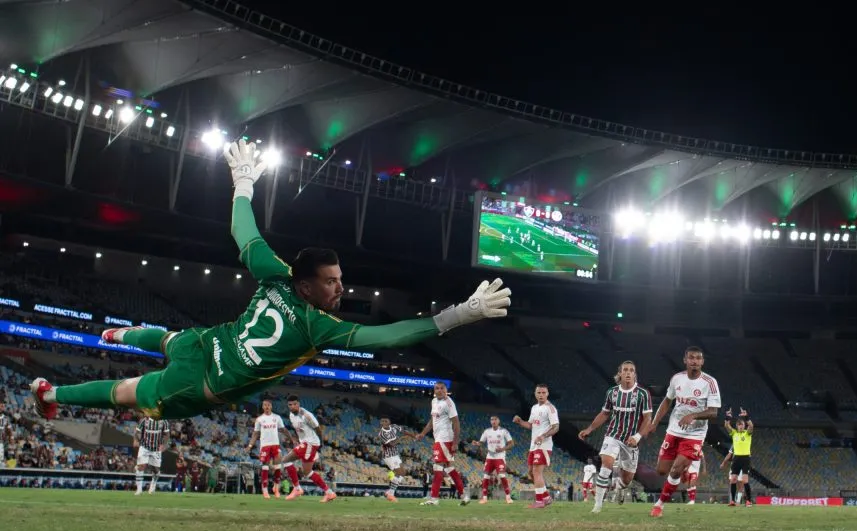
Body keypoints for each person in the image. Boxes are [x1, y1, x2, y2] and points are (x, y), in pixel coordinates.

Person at [29, 140, 512, 422]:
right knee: (126, 392)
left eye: (341, 279)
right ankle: (50, 395)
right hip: (201, 381)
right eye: (331, 282)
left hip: (205, 342)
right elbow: (391, 335)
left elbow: (244, 232)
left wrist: (242, 183)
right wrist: (460, 315)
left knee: (170, 338)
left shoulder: (278, 274)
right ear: (306, 287)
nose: (341, 289)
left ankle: (114, 333)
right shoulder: (318, 327)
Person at [642, 346, 721, 518]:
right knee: (662, 471)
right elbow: (666, 401)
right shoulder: (677, 379)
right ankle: (681, 471)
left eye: (698, 358)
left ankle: (659, 505)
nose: (695, 361)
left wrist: (694, 415)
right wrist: (654, 423)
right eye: (691, 358)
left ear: (702, 362)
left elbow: (714, 412)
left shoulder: (710, 383)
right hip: (674, 430)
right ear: (685, 360)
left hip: (695, 435)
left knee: (675, 469)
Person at [577, 361, 653, 513]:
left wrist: (637, 437)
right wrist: (590, 428)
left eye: (631, 370)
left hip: (631, 441)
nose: (628, 373)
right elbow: (605, 413)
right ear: (620, 373)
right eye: (625, 370)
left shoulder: (643, 394)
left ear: (634, 374)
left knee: (627, 479)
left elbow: (648, 418)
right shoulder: (612, 392)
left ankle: (620, 487)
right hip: (613, 434)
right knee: (606, 466)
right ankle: (597, 506)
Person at [416, 382, 470, 506]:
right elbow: (432, 420)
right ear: (434, 390)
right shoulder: (434, 401)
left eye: (442, 388)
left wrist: (455, 442)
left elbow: (456, 423)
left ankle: (434, 498)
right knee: (449, 468)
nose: (439, 390)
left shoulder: (449, 403)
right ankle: (464, 496)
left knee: (437, 467)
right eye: (437, 388)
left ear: (446, 390)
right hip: (438, 439)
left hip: (445, 439)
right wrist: (423, 433)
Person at [278, 395, 335, 502]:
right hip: (305, 443)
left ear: (298, 404)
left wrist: (320, 444)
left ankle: (297, 488)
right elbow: (300, 430)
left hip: (311, 444)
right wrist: (298, 441)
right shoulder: (291, 415)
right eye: (290, 405)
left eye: (295, 404)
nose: (292, 406)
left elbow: (318, 429)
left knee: (286, 460)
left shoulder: (307, 415)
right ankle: (329, 493)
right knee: (307, 472)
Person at [512, 384, 559, 509]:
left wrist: (543, 436)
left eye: (544, 392)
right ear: (535, 394)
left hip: (543, 445)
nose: (541, 395)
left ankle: (539, 501)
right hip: (533, 445)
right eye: (539, 392)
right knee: (531, 473)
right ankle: (546, 497)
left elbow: (556, 427)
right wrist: (520, 421)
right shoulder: (534, 408)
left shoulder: (550, 408)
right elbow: (531, 425)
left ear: (547, 394)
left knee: (537, 472)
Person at [245, 398, 297, 499]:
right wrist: (250, 446)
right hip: (265, 446)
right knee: (265, 467)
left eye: (269, 405)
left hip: (275, 445)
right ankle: (265, 491)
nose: (267, 407)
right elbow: (256, 434)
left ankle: (276, 488)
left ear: (271, 406)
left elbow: (283, 429)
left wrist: (292, 439)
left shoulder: (277, 417)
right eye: (265, 405)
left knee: (278, 467)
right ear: (263, 407)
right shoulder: (259, 419)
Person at [470, 415, 515, 504]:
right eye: (491, 420)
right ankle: (485, 498)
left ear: (498, 421)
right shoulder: (487, 431)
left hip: (500, 457)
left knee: (502, 476)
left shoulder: (504, 431)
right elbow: (481, 442)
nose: (493, 421)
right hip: (490, 457)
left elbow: (511, 444)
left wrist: (502, 449)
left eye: (495, 419)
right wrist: (477, 443)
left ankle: (508, 497)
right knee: (486, 476)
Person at [378, 415, 417, 502]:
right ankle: (390, 494)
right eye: (382, 421)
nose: (384, 422)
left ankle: (390, 490)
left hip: (395, 455)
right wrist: (401, 438)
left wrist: (413, 436)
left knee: (403, 473)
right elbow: (391, 444)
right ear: (381, 423)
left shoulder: (394, 427)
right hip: (389, 456)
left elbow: (403, 431)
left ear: (389, 422)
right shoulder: (382, 434)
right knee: (400, 473)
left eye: (386, 421)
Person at [724, 407, 754, 506]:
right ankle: (732, 501)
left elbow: (751, 426)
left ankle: (749, 501)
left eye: (742, 425)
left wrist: (746, 416)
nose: (740, 426)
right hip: (736, 458)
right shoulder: (734, 433)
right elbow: (726, 425)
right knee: (733, 479)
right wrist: (728, 416)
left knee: (745, 480)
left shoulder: (747, 433)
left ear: (744, 425)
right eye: (739, 425)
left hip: (745, 458)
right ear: (736, 426)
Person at [133, 416, 169, 495]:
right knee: (141, 466)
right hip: (144, 447)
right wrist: (136, 440)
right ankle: (139, 490)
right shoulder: (144, 420)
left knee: (155, 470)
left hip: (156, 448)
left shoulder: (164, 421)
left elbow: (167, 434)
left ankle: (153, 483)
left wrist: (164, 445)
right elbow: (137, 431)